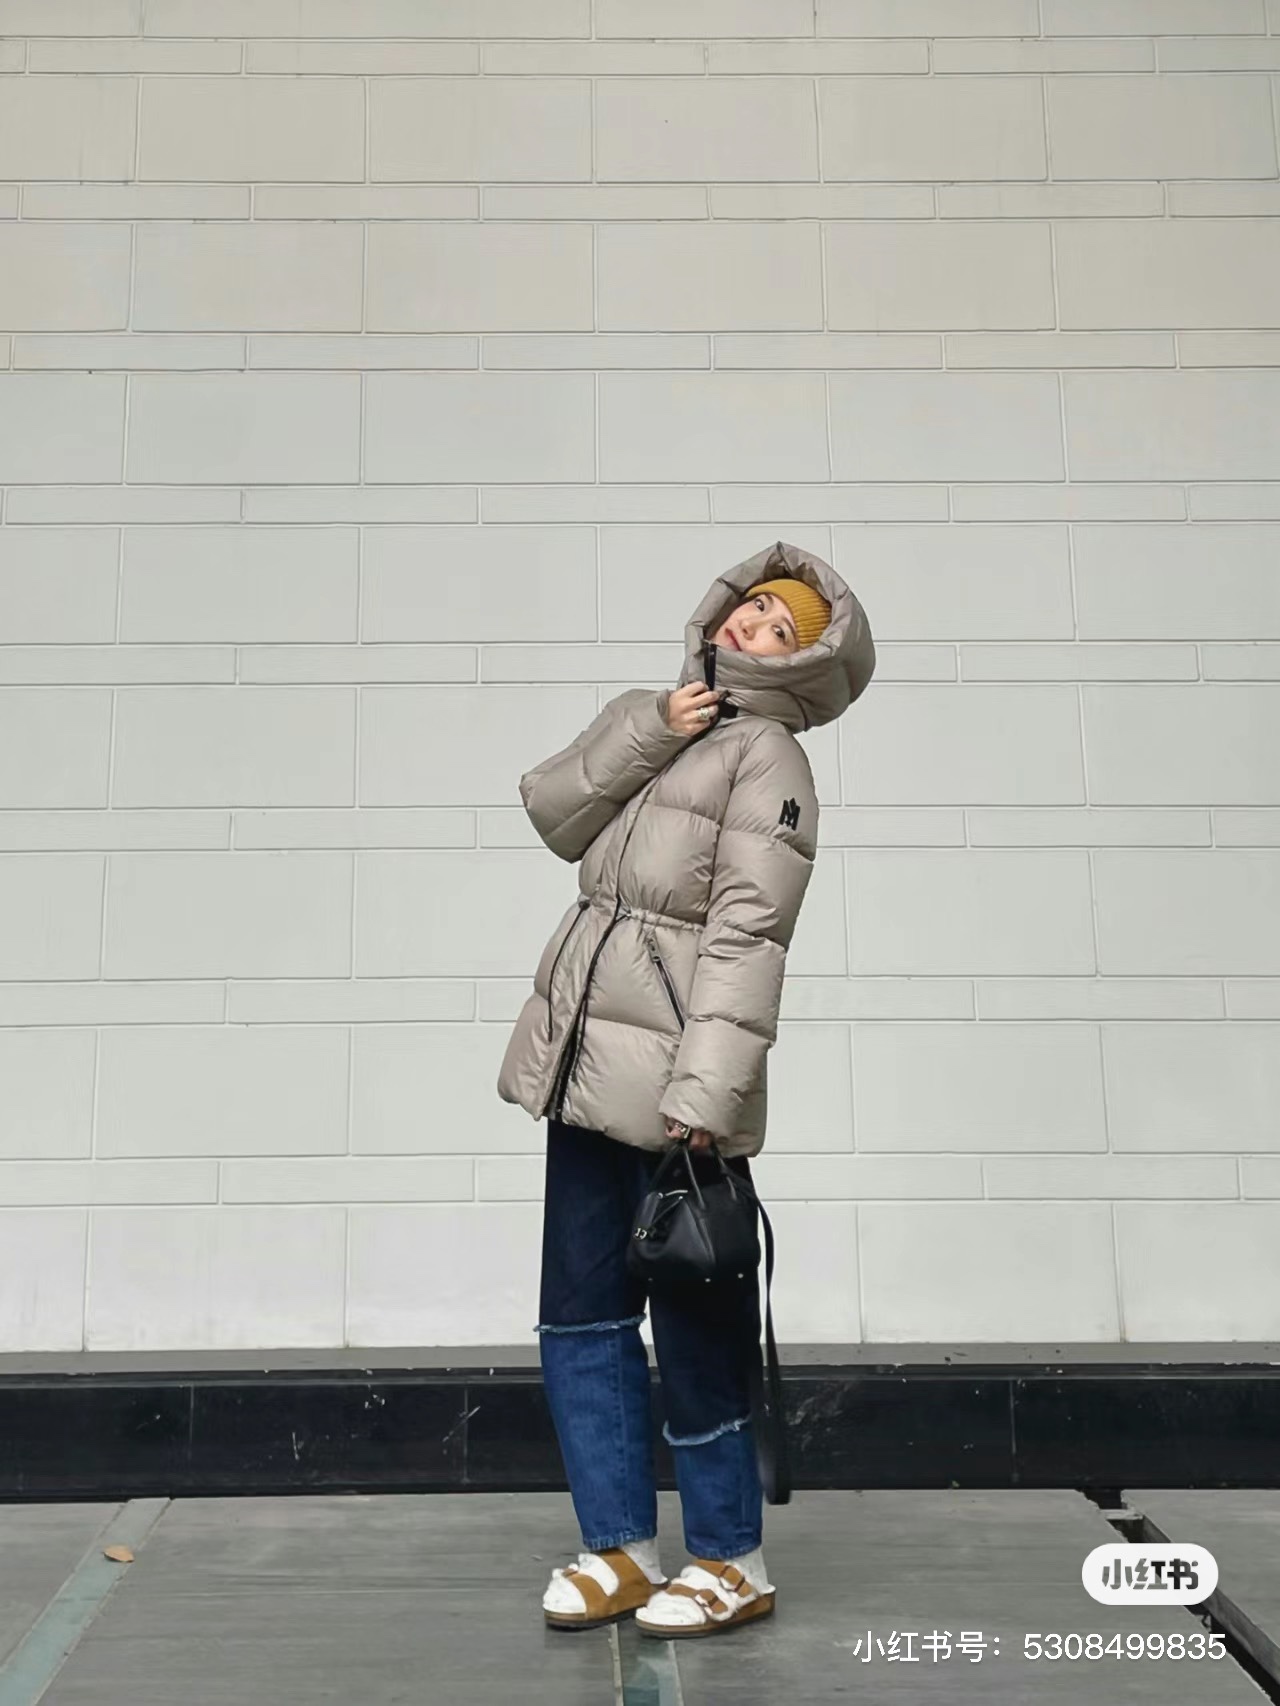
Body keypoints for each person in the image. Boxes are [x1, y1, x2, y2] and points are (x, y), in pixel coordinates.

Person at [496, 540, 875, 1638]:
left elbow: (749, 934)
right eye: (752, 608)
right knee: (579, 1315)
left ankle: (728, 1556)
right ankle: (617, 1547)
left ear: (805, 663)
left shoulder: (769, 761)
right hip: (585, 1066)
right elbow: (552, 813)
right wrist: (653, 727)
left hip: (676, 1087)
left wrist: (706, 1092)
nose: (753, 627)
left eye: (781, 628)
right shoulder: (655, 716)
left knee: (696, 1322)